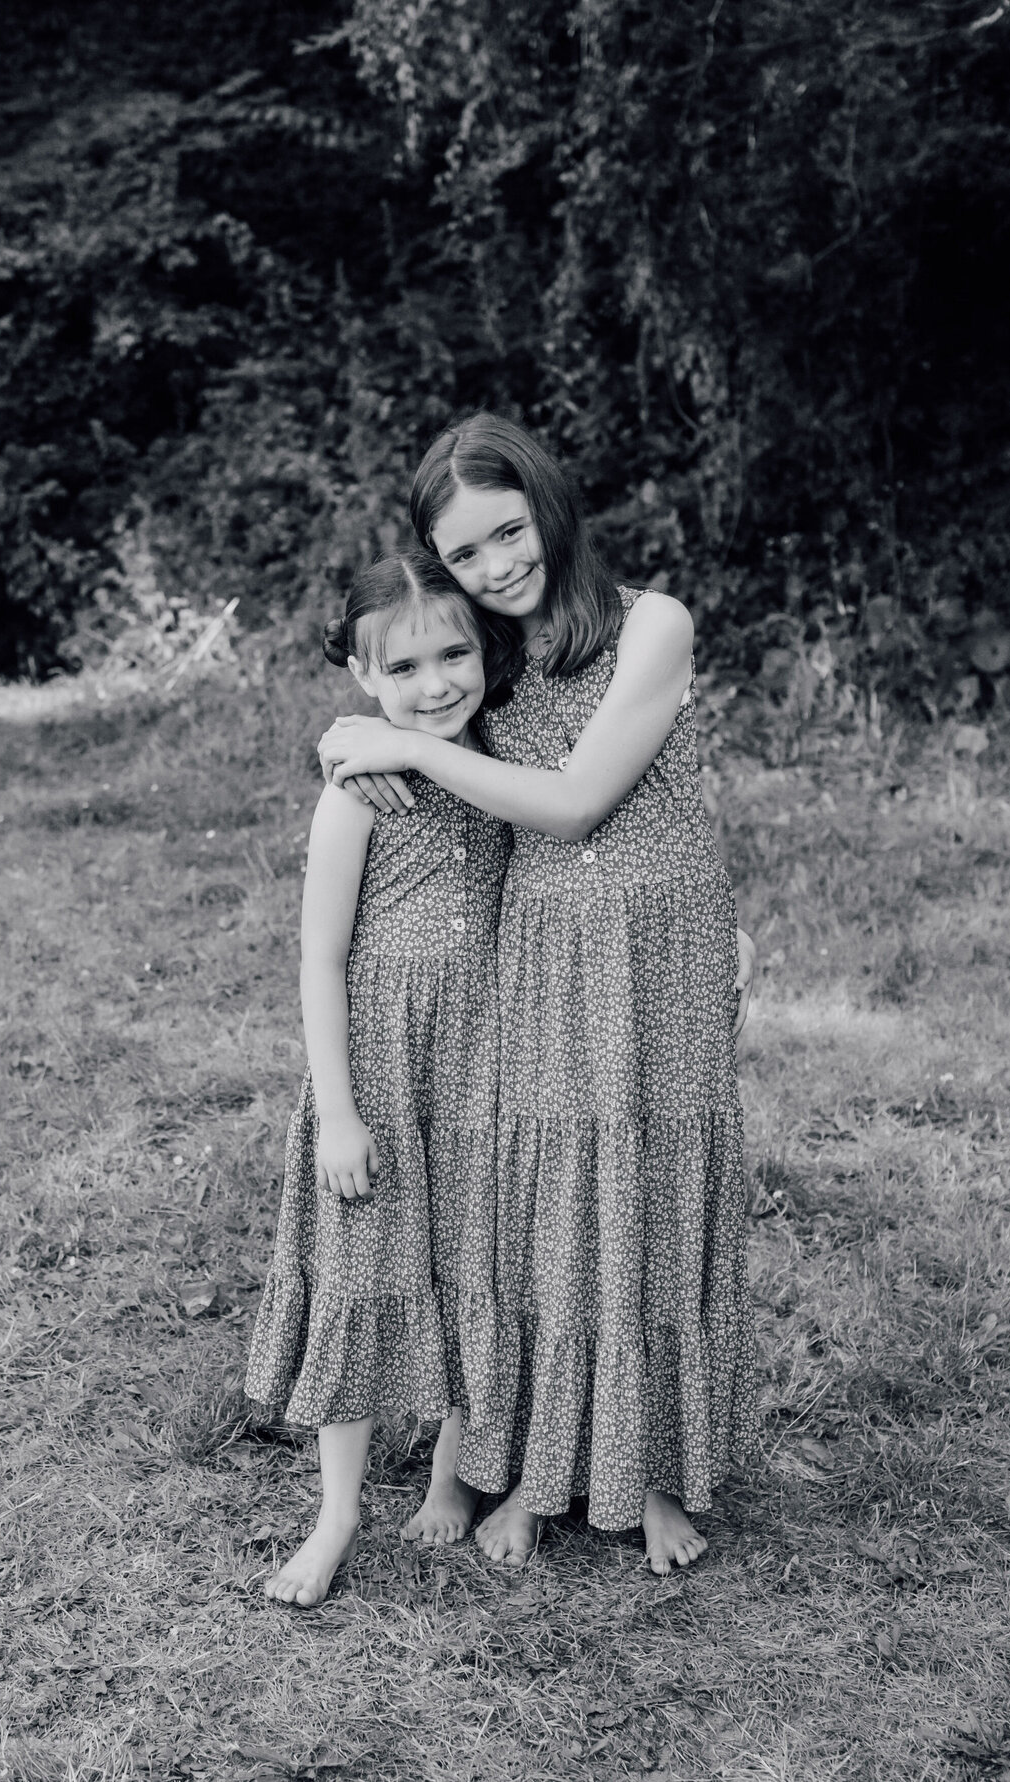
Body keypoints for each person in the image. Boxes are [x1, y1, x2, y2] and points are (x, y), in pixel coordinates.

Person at [318, 413, 757, 1576]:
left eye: (509, 532)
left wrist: (393, 745)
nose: (498, 565)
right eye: (468, 554)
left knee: (656, 1186)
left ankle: (658, 1474)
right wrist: (362, 729)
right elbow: (411, 692)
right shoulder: (486, 649)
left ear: (549, 506)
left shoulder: (651, 623)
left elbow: (571, 801)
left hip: (658, 936)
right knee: (550, 1205)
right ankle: (542, 1467)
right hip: (544, 944)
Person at [246, 549, 511, 1606]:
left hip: (488, 1060)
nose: (437, 682)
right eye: (405, 668)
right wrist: (339, 1113)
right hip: (383, 1072)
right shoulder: (359, 795)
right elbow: (319, 959)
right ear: (363, 677)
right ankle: (339, 1509)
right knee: (366, 1270)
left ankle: (452, 1472)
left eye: (457, 653)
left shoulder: (501, 774)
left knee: (473, 1266)